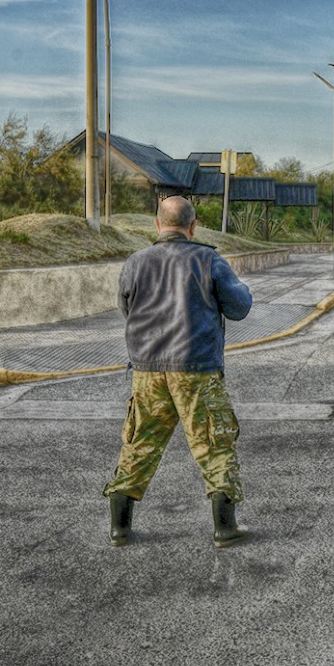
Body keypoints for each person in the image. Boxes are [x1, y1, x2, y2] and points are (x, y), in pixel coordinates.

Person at [103, 196, 254, 548]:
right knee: (214, 443)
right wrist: (240, 287)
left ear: (157, 225)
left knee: (140, 442)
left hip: (147, 369)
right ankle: (224, 527)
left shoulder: (135, 262)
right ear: (193, 225)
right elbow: (239, 308)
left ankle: (120, 527)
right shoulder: (208, 260)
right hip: (197, 368)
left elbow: (127, 308)